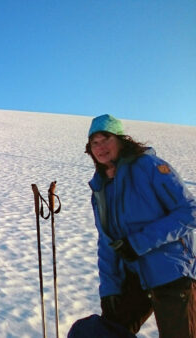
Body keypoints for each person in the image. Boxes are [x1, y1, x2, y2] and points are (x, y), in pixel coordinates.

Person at [85, 114, 196, 337]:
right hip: (133, 276)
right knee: (103, 332)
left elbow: (189, 212)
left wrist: (138, 243)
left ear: (121, 140)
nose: (100, 147)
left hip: (171, 272)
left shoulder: (149, 166)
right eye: (94, 142)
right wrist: (110, 290)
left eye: (105, 139)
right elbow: (106, 243)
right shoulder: (101, 187)